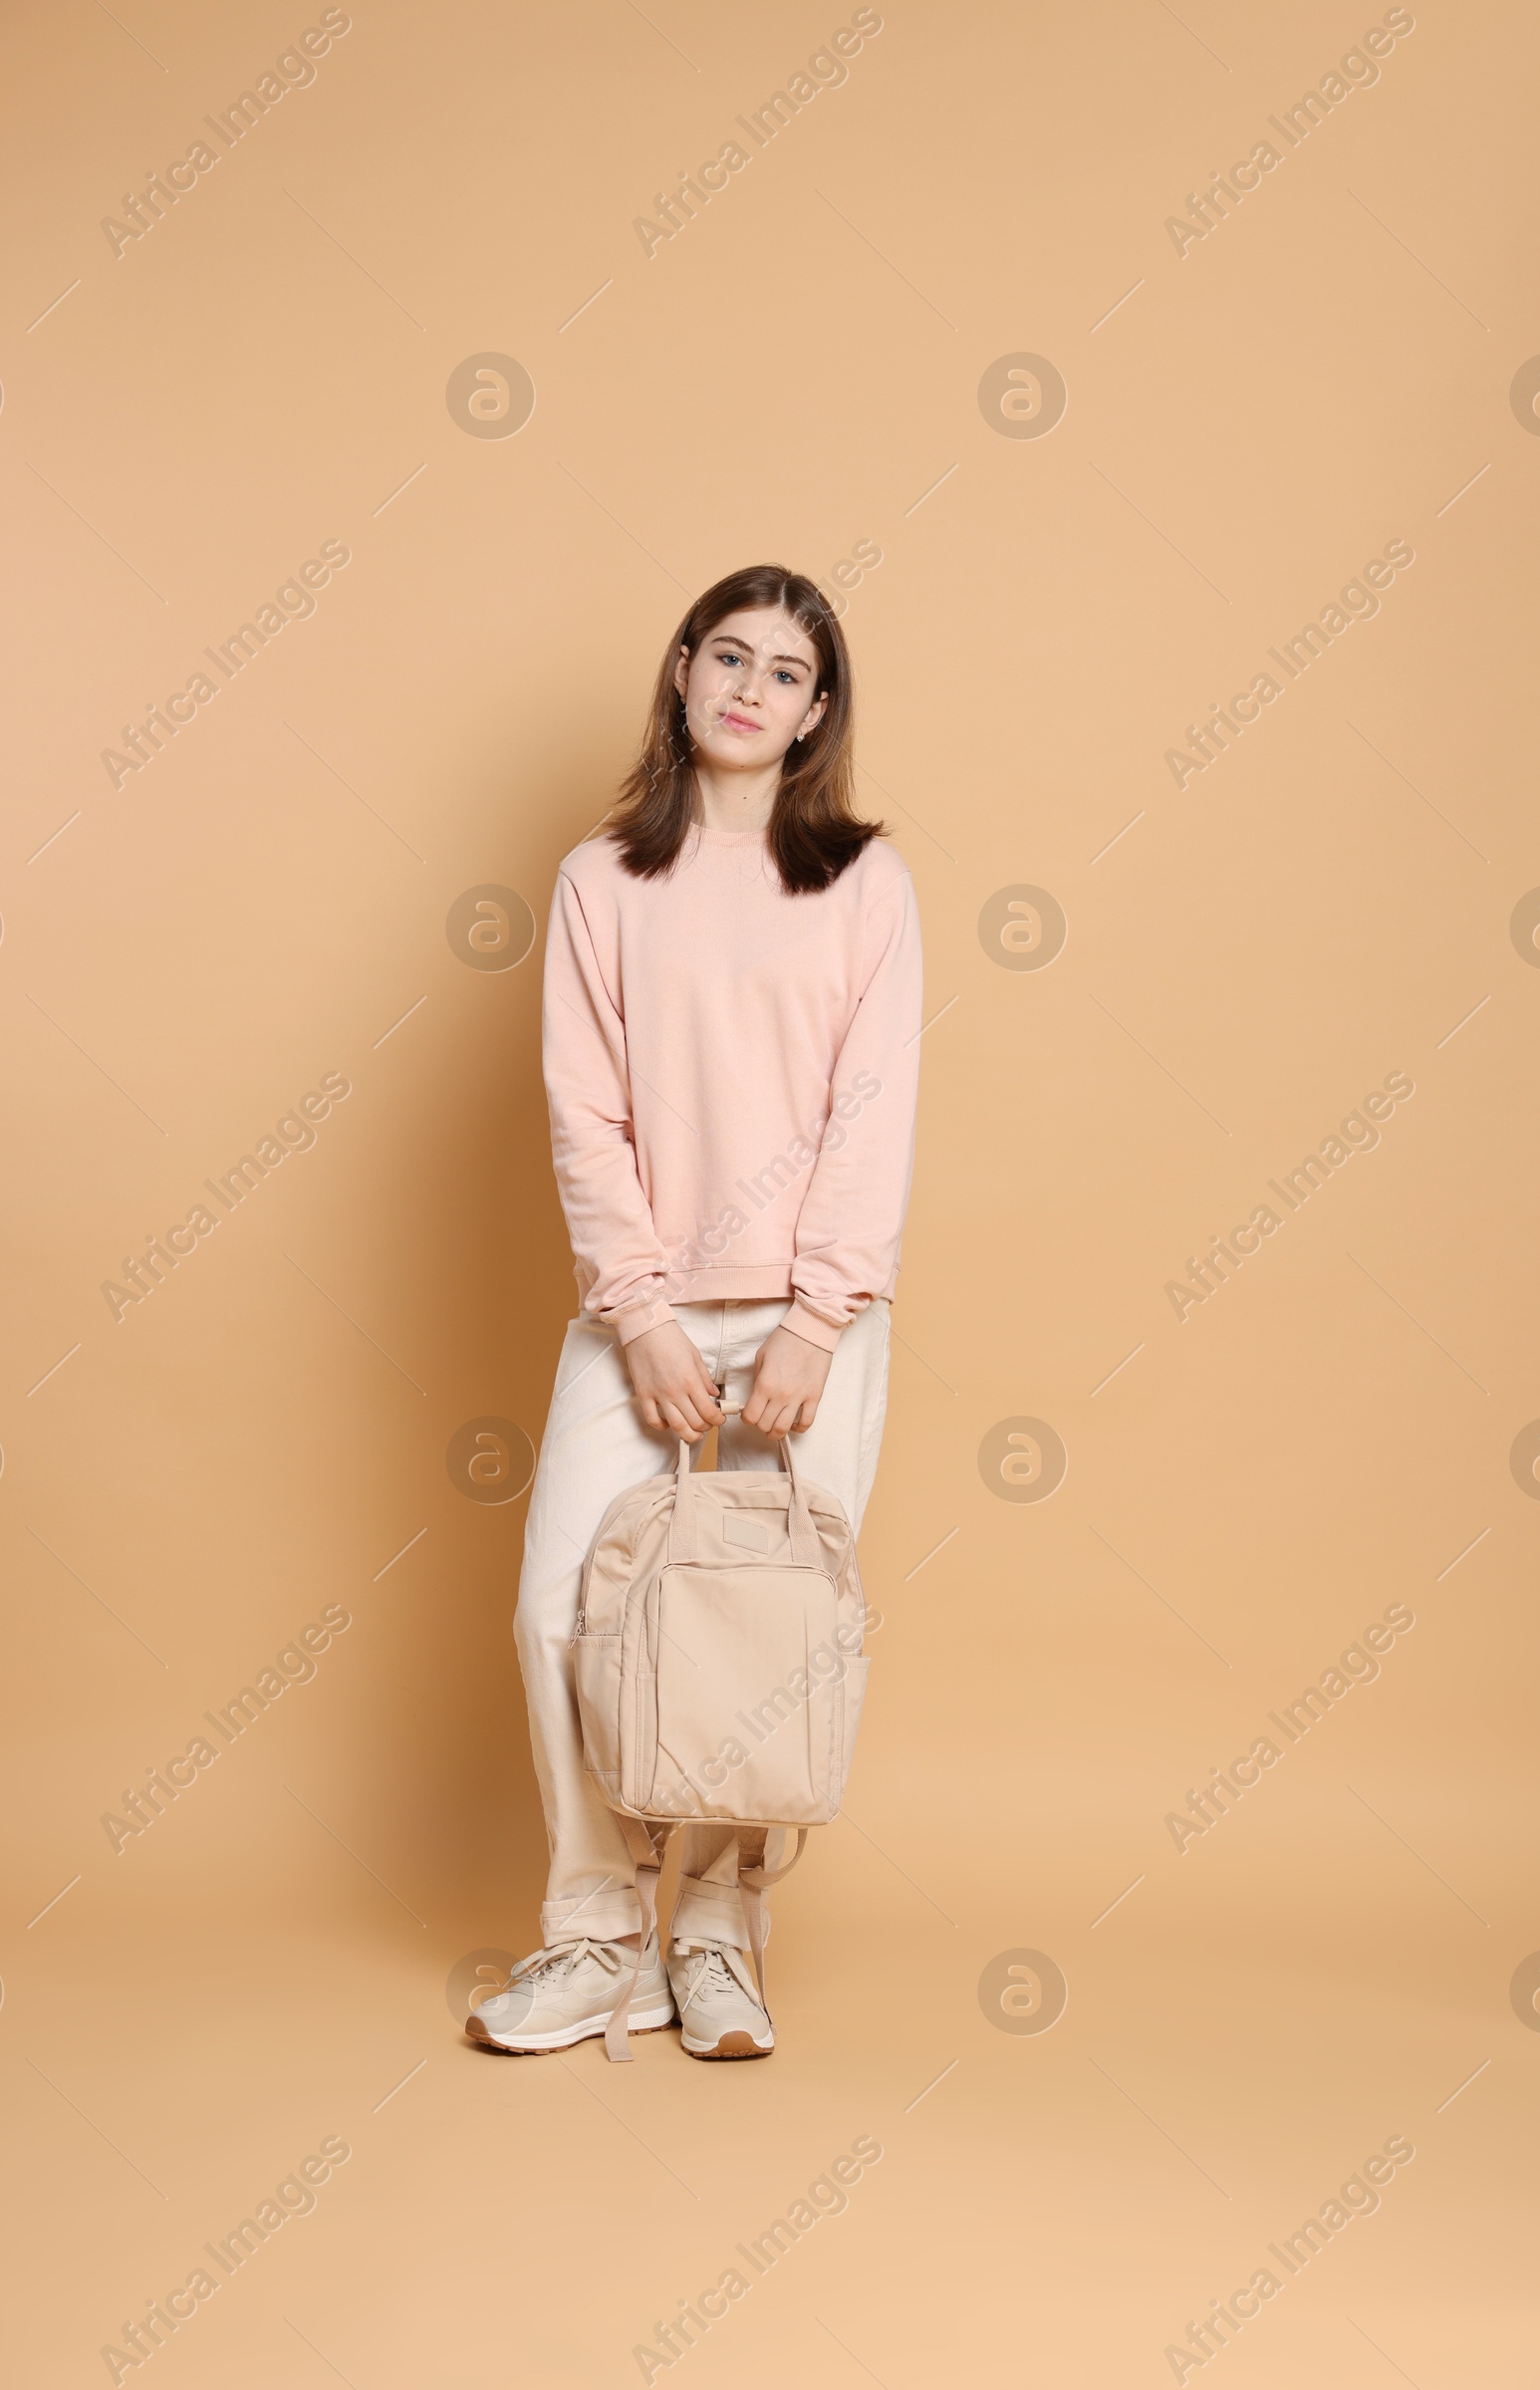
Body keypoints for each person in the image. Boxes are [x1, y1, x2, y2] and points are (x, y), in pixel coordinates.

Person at [468, 563, 921, 2060]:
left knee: (762, 1632)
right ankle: (598, 1936)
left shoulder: (864, 881)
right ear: (680, 673)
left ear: (816, 714)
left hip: (812, 1326)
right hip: (640, 1315)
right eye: (727, 657)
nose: (749, 688)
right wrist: (643, 1317)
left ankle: (720, 1938)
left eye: (785, 673)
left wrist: (815, 1320)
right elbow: (581, 1116)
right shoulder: (604, 878)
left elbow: (874, 1113)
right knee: (554, 1617)